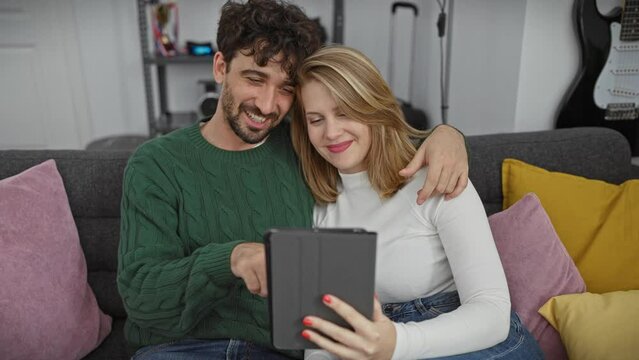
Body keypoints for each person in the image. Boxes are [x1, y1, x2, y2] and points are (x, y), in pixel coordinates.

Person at [117, 1, 470, 359]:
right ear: (221, 67)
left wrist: (446, 135)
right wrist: (231, 259)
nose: (268, 105)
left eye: (285, 88)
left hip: (280, 351)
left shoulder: (306, 144)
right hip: (181, 349)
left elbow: (374, 139)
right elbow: (141, 299)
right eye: (254, 78)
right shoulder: (155, 164)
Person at [291, 45, 543, 360]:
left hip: (473, 342)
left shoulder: (436, 177)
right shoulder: (316, 207)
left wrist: (396, 343)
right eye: (316, 120)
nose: (331, 131)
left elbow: (491, 313)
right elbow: (323, 336)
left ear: (372, 107)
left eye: (344, 112)